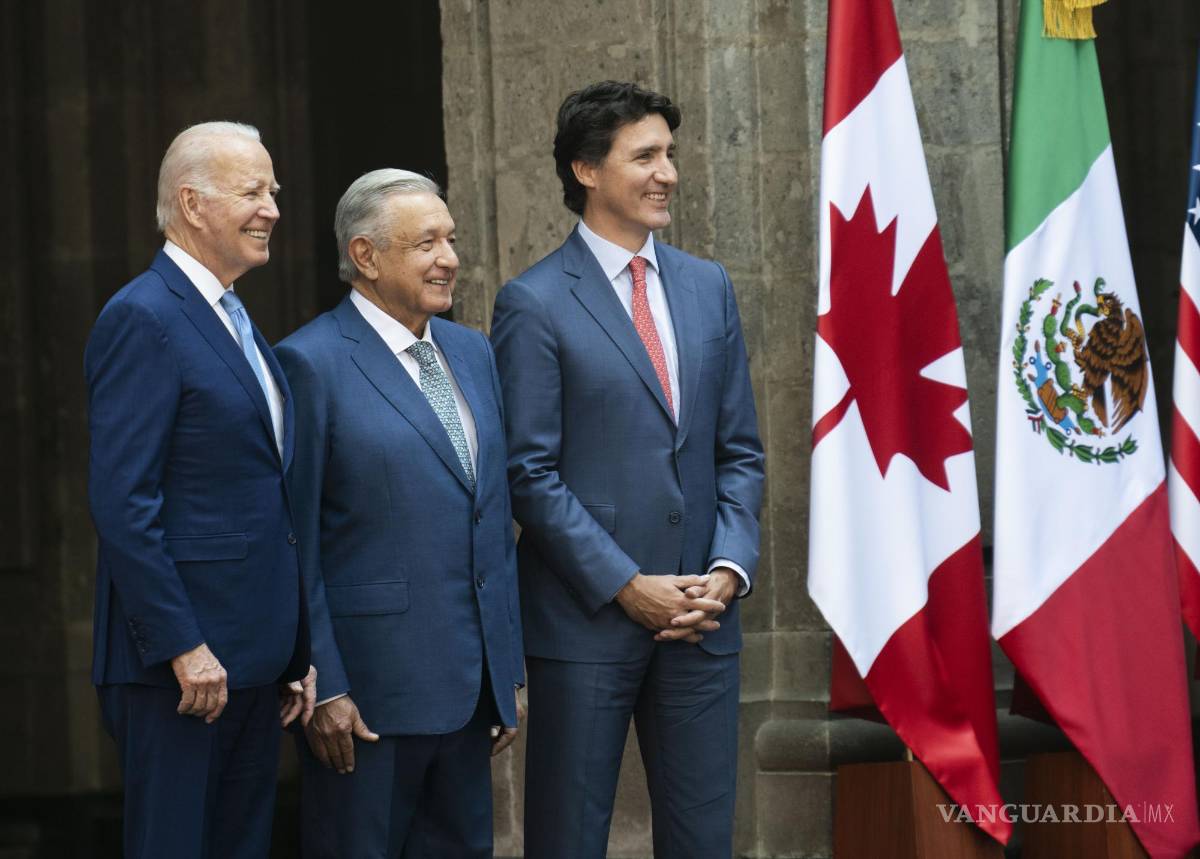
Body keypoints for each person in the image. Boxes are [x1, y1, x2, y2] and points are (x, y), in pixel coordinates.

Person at [491, 80, 765, 858]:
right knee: (567, 839)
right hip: (586, 624)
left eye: (669, 154)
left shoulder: (708, 286)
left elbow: (739, 450)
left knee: (704, 840)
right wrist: (627, 584)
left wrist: (728, 568)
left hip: (702, 621)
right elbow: (528, 473)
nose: (667, 173)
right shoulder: (533, 302)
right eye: (644, 156)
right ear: (586, 169)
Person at [276, 169, 524, 858]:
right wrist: (325, 683)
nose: (449, 258)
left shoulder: (472, 351)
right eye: (426, 243)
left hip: (471, 693)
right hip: (367, 701)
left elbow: (490, 515)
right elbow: (294, 539)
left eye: (451, 239)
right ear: (365, 255)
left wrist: (506, 669)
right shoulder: (310, 362)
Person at [85, 121, 314, 859]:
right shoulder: (143, 316)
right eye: (252, 192)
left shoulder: (233, 316)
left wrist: (291, 649)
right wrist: (184, 645)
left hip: (251, 662)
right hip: (182, 671)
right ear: (191, 203)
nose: (272, 208)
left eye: (273, 190)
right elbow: (125, 501)